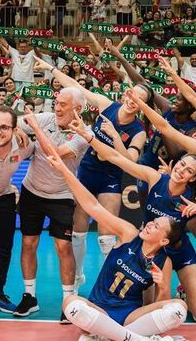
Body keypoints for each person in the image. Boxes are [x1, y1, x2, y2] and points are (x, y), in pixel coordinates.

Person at [71, 104, 196, 324]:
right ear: (176, 163)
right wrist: (89, 137)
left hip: (177, 250)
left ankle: (184, 291)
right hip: (149, 250)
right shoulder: (156, 178)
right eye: (182, 164)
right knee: (145, 309)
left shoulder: (193, 201)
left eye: (189, 171)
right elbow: (117, 158)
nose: (181, 170)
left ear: (192, 178)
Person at [46, 146, 186, 341]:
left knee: (178, 308)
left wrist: (164, 286)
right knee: (71, 304)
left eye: (156, 226)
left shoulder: (163, 261)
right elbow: (93, 207)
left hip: (131, 317)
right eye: (153, 222)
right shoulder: (129, 234)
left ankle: (103, 340)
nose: (149, 225)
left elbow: (159, 304)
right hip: (99, 312)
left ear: (164, 240)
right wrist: (65, 171)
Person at [34, 55, 148, 283]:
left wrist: (115, 137)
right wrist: (51, 68)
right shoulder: (108, 105)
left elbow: (130, 161)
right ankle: (76, 277)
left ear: (143, 105)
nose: (134, 99)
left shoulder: (139, 130)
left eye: (141, 99)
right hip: (87, 171)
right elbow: (76, 88)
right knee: (78, 229)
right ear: (127, 94)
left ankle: (106, 283)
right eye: (133, 94)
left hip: (111, 178)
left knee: (106, 236)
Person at [10, 92, 90, 320]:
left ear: (78, 109)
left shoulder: (84, 134)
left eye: (63, 105)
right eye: (56, 103)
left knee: (64, 248)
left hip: (62, 195)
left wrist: (35, 130)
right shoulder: (46, 119)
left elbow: (56, 154)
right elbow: (15, 121)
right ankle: (29, 297)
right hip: (32, 191)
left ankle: (68, 301)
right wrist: (18, 130)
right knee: (28, 243)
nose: (57, 108)